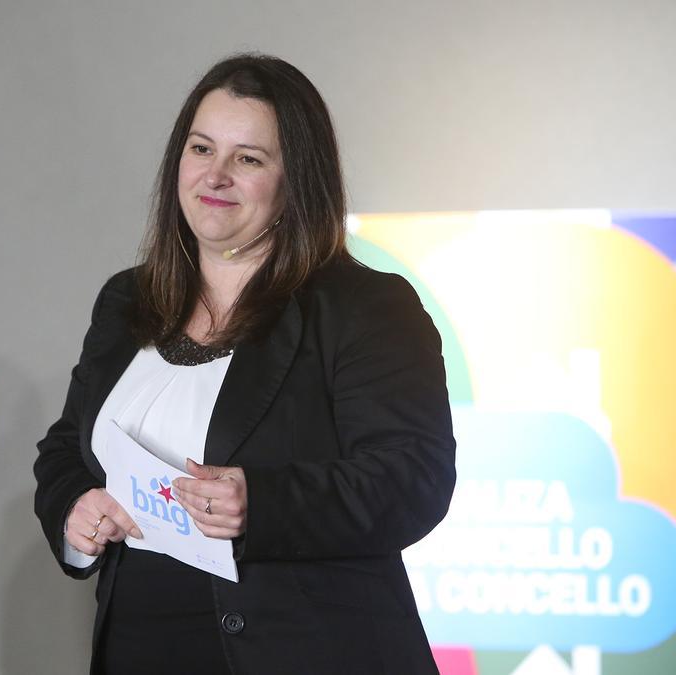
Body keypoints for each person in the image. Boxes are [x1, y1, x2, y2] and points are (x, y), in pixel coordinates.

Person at [34, 54, 456, 674]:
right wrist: (75, 510)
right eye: (201, 149)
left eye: (249, 159)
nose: (216, 175)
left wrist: (262, 503)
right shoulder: (127, 298)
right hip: (139, 647)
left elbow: (411, 480)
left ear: (296, 182)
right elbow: (68, 446)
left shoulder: (365, 306)